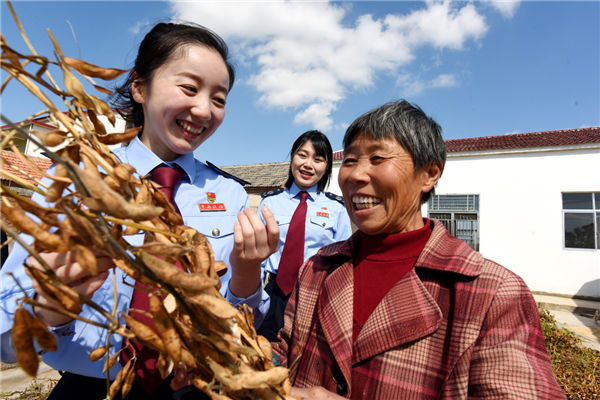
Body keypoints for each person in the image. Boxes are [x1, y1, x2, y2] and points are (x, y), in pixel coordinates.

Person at [0, 22, 279, 400]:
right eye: (189, 87)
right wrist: (47, 311)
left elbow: (237, 320)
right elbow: (5, 335)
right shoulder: (78, 177)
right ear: (139, 87)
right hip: (90, 389)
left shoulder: (227, 192)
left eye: (219, 98)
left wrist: (245, 277)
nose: (203, 109)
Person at [272, 100, 566, 399]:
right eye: (350, 160)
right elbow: (288, 353)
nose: (357, 175)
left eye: (376, 158)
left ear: (429, 174)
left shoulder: (492, 293)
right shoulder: (318, 267)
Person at [256, 130, 352, 341]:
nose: (308, 164)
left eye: (318, 159)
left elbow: (343, 264)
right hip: (272, 292)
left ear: (326, 167)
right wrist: (255, 299)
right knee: (265, 355)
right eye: (302, 155)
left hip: (315, 292)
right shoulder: (269, 203)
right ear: (292, 157)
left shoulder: (337, 208)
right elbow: (257, 258)